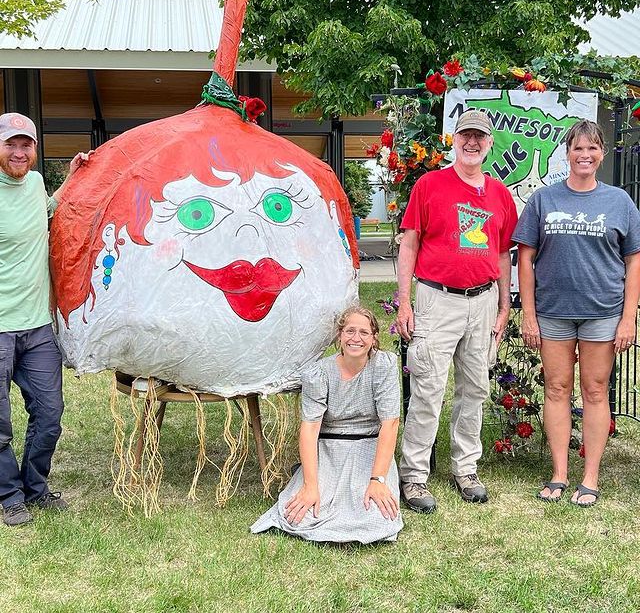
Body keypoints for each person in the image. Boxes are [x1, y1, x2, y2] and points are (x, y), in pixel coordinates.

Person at [513, 118, 640, 507]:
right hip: (553, 312)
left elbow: (634, 260)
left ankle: (591, 476)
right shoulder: (543, 200)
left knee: (596, 390)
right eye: (577, 149)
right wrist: (529, 315)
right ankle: (559, 473)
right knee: (556, 389)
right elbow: (525, 258)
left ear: (601, 155)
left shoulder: (619, 201)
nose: (584, 155)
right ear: (566, 154)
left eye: (592, 149)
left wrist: (628, 317)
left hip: (602, 311)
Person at [395, 109, 518, 513]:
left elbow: (502, 253)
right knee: (428, 389)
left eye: (479, 137)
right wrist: (404, 302)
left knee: (475, 390)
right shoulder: (430, 186)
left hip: (483, 303)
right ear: (454, 139)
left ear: (489, 144)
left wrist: (504, 305)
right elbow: (409, 245)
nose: (472, 142)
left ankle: (465, 469)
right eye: (465, 134)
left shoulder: (500, 194)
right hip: (437, 300)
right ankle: (413, 476)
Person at [0, 112, 92, 526]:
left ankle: (35, 488)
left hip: (37, 325)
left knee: (49, 415)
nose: (19, 152)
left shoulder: (35, 183)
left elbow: (48, 211)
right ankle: (9, 495)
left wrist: (71, 179)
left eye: (26, 145)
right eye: (10, 144)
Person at [251, 306, 403, 543]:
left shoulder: (383, 366)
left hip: (370, 448)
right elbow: (310, 429)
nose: (356, 338)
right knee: (302, 514)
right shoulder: (320, 373)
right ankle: (307, 477)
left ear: (374, 339)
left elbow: (390, 423)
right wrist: (311, 485)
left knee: (375, 515)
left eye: (364, 332)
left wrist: (378, 481)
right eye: (350, 331)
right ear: (340, 336)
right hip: (329, 449)